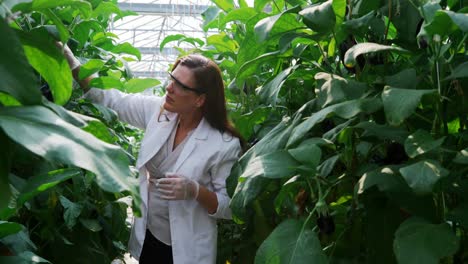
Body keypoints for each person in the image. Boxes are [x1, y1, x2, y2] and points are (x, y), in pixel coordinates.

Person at [62, 45, 243, 263]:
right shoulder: (158, 112)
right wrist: (70, 58)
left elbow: (230, 207)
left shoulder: (223, 144)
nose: (169, 88)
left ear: (199, 100)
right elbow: (111, 100)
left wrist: (195, 191)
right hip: (149, 235)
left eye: (180, 85)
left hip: (188, 249)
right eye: (171, 79)